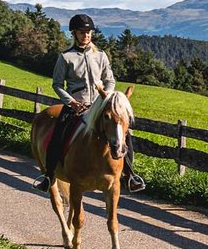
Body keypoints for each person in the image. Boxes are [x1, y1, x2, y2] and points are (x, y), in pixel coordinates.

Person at [38, 13, 145, 193]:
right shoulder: (65, 57)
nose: (86, 35)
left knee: (124, 134)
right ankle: (49, 175)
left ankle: (130, 175)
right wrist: (70, 102)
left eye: (88, 32)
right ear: (74, 33)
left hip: (99, 105)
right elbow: (57, 85)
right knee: (59, 134)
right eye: (82, 32)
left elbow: (109, 80)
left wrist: (106, 97)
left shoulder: (101, 55)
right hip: (76, 106)